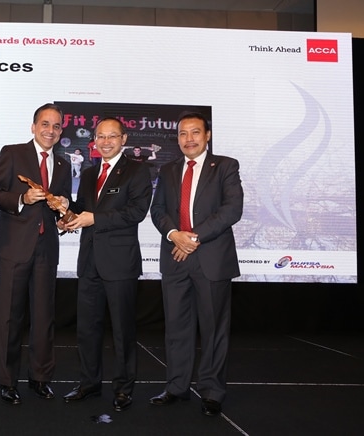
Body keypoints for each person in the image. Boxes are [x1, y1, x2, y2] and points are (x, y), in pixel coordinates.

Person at [149, 111, 243, 416]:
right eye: (182, 133)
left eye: (195, 132)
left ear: (207, 135)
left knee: (214, 329)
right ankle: (176, 387)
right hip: (175, 258)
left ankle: (212, 391)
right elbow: (158, 210)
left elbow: (232, 209)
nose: (188, 139)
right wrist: (174, 235)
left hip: (211, 259)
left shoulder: (225, 166)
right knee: (177, 327)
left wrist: (193, 237)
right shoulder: (167, 169)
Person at [60, 117, 153, 412]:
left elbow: (136, 212)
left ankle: (124, 389)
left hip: (120, 263)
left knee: (123, 330)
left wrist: (94, 219)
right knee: (87, 329)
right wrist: (66, 214)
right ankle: (89, 383)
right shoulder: (89, 173)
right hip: (89, 262)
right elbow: (83, 210)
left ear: (124, 139)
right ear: (94, 141)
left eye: (112, 136)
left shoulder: (137, 171)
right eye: (101, 136)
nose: (106, 141)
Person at [0, 103, 72, 405]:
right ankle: (8, 382)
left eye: (57, 126)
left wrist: (64, 207)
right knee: (9, 317)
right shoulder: (12, 153)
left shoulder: (63, 164)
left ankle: (40, 378)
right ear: (34, 127)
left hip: (46, 248)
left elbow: (64, 202)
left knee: (44, 317)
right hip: (13, 247)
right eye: (45, 124)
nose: (51, 130)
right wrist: (22, 198)